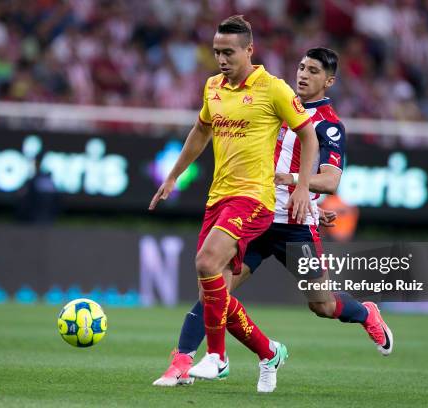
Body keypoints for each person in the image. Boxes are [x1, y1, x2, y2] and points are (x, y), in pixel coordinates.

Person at [152, 47, 394, 387]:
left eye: (313, 71)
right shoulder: (274, 102)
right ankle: (181, 362)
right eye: (301, 67)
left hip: (295, 225)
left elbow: (332, 180)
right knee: (213, 290)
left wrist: (298, 184)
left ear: (329, 80)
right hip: (255, 214)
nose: (304, 74)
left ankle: (366, 312)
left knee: (322, 305)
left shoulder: (329, 125)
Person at [149, 15, 319, 393]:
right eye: (216, 52)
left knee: (206, 262)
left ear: (249, 51)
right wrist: (174, 175)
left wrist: (303, 186)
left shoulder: (273, 89)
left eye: (228, 52)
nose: (221, 59)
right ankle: (268, 351)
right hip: (218, 198)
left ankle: (218, 357)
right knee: (213, 292)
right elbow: (201, 130)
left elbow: (309, 137)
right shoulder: (212, 87)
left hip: (255, 198)